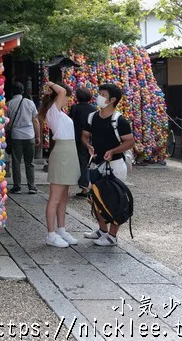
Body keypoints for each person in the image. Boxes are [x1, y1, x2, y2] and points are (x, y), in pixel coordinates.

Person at [81, 83, 135, 247]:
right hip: (96, 164)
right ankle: (102, 230)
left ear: (112, 100)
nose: (99, 97)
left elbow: (130, 142)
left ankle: (112, 236)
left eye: (103, 94)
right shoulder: (92, 117)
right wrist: (88, 146)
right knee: (96, 198)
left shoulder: (120, 120)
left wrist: (113, 151)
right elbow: (85, 135)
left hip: (115, 165)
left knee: (114, 199)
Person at [38, 81, 81, 248]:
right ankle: (51, 234)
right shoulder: (53, 111)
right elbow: (62, 91)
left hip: (68, 151)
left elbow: (62, 92)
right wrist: (49, 83)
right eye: (66, 97)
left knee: (64, 197)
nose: (67, 99)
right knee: (55, 198)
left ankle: (61, 230)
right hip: (63, 152)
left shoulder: (58, 113)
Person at [6, 83, 41, 194]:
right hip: (29, 135)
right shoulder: (30, 103)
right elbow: (35, 120)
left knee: (16, 162)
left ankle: (17, 186)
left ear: (12, 92)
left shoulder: (9, 104)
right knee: (29, 162)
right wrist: (38, 136)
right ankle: (32, 186)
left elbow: (7, 123)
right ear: (22, 91)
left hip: (16, 135)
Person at [69, 88, 97, 197]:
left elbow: (71, 121)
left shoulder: (75, 108)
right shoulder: (94, 109)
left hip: (77, 137)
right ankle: (88, 184)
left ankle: (85, 186)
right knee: (88, 162)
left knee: (82, 162)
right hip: (90, 138)